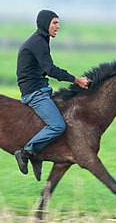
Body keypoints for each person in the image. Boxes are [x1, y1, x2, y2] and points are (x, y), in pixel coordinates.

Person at [15, 9, 91, 175]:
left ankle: (40, 154)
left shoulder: (41, 40)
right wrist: (76, 79)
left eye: (58, 22)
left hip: (42, 89)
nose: (58, 26)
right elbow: (50, 69)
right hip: (35, 93)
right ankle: (26, 152)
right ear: (45, 24)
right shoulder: (38, 42)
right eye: (54, 23)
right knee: (57, 125)